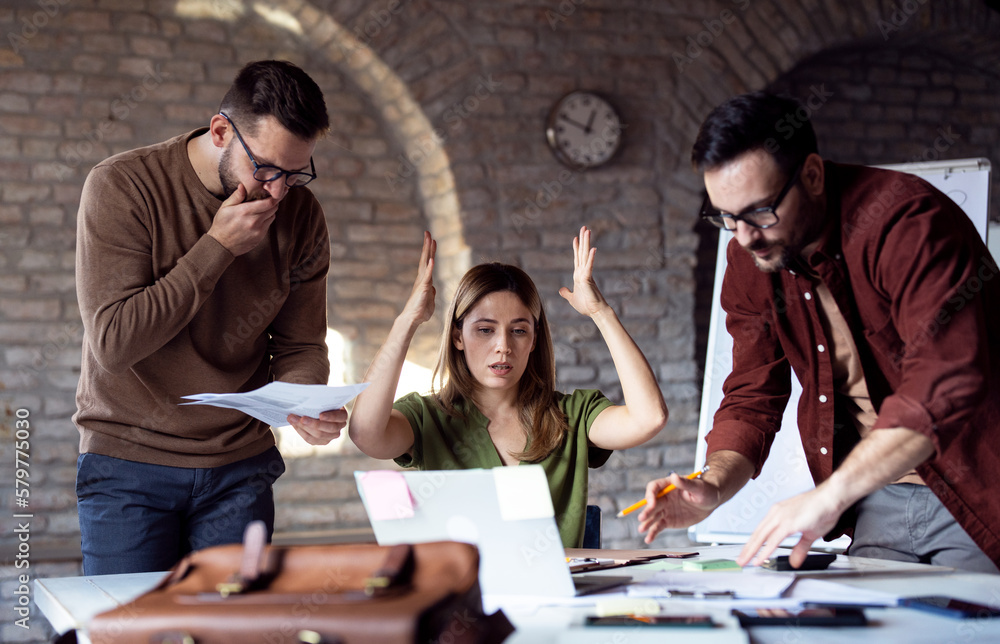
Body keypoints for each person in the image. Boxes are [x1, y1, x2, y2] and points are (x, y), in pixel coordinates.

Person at [637, 91, 1000, 573]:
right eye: (727, 218)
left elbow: (942, 387)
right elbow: (750, 395)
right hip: (877, 500)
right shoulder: (750, 258)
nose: (744, 237)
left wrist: (829, 495)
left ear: (811, 174)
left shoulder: (909, 223)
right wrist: (713, 486)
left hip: (978, 486)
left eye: (759, 212)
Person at [74, 60, 346, 575]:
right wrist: (217, 247)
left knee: (234, 630)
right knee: (134, 632)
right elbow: (114, 343)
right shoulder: (122, 186)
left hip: (240, 467)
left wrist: (303, 399)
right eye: (265, 168)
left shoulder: (301, 214)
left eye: (296, 173)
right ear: (220, 130)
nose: (278, 191)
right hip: (128, 462)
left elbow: (301, 345)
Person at [349, 227, 668, 548]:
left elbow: (649, 418)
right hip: (464, 596)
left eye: (518, 330)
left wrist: (601, 312)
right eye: (485, 330)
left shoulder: (574, 414)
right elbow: (366, 432)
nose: (503, 346)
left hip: (557, 596)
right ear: (458, 336)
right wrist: (408, 320)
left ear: (533, 340)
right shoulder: (426, 416)